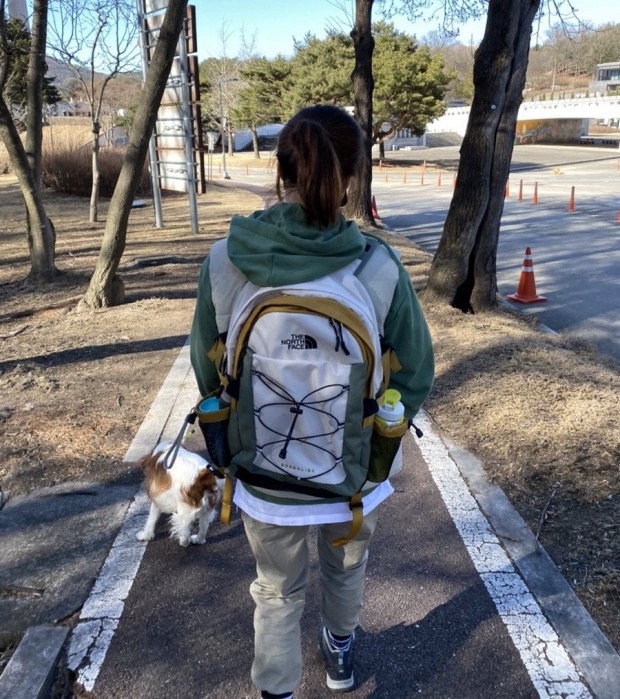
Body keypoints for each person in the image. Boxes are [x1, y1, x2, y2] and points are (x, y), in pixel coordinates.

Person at [190, 104, 434, 699]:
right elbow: (416, 370)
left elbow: (206, 366)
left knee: (276, 590)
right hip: (354, 472)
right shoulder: (377, 266)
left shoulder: (226, 260)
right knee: (346, 569)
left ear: (281, 171)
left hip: (262, 470)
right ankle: (340, 654)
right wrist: (380, 420)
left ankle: (277, 690)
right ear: (350, 178)